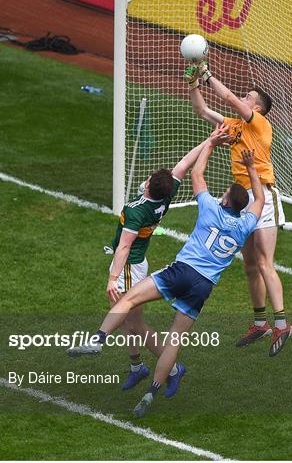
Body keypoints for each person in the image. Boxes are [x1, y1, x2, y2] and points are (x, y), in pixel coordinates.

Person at [68, 125, 264, 418]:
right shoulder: (247, 223)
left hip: (181, 271)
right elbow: (259, 200)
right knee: (175, 338)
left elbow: (197, 173)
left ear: (224, 201)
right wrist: (253, 171)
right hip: (204, 285)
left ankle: (98, 340)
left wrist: (211, 144)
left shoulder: (210, 207)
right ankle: (153, 391)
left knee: (129, 300)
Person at [87, 135, 223, 394]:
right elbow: (184, 163)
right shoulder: (166, 195)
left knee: (134, 323)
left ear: (149, 187)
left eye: (148, 179)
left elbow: (125, 247)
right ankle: (138, 367)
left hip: (129, 265)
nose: (146, 180)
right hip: (139, 263)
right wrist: (210, 142)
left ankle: (170, 368)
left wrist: (112, 278)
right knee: (130, 322)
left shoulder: (137, 209)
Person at [184, 61, 292, 356]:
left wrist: (207, 74)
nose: (242, 99)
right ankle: (260, 323)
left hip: (264, 196)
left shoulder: (260, 124)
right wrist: (195, 83)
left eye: (248, 97)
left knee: (264, 263)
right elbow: (203, 111)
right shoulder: (234, 127)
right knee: (249, 266)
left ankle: (282, 323)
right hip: (244, 199)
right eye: (244, 95)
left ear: (257, 109)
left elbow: (229, 99)